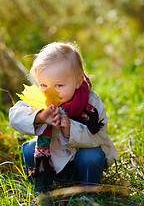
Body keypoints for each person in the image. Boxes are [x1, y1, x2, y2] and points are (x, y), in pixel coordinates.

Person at [9, 42, 118, 195]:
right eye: (44, 84)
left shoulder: (90, 104)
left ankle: (89, 194)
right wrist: (40, 116)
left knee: (92, 156)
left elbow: (99, 136)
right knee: (29, 148)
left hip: (81, 166)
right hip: (52, 166)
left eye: (59, 85)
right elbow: (14, 116)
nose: (51, 92)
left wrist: (70, 129)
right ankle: (42, 191)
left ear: (79, 81)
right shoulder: (41, 100)